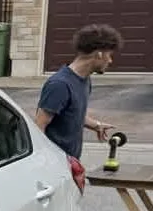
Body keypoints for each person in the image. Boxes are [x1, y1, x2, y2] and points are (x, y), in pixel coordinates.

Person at [34, 24, 119, 159]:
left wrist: (96, 125)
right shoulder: (60, 85)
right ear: (99, 54)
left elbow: (72, 113)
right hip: (56, 164)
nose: (110, 60)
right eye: (109, 55)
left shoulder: (84, 79)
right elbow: (39, 126)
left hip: (72, 162)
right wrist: (47, 162)